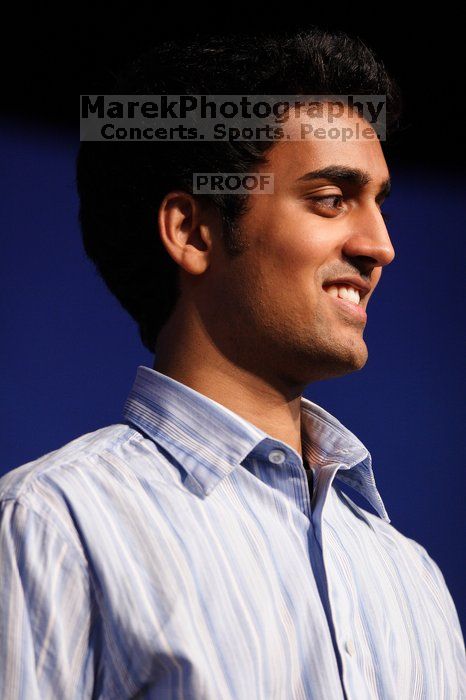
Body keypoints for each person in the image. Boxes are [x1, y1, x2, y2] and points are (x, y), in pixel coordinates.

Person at [1, 29, 464, 700]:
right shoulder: (53, 527)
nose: (380, 246)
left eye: (380, 204)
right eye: (332, 198)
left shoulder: (413, 580)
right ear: (192, 231)